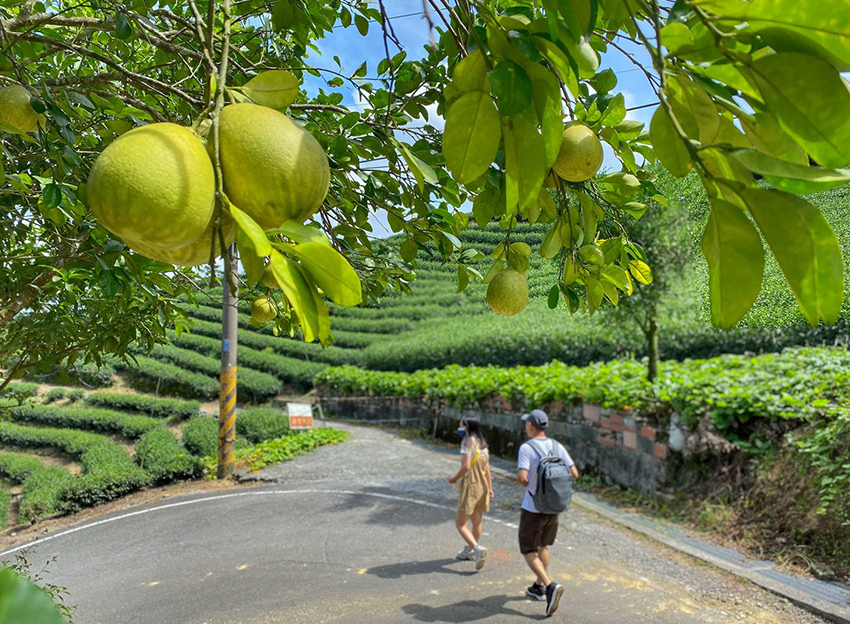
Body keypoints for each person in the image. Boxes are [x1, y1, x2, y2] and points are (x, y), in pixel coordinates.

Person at [516, 409, 579, 617]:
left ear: (531, 426)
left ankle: (550, 585)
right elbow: (574, 473)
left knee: (528, 549)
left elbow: (522, 477)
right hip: (554, 506)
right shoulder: (557, 446)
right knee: (542, 545)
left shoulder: (527, 448)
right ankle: (539, 587)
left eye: (527, 423)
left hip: (533, 507)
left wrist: (531, 483)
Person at [447, 416, 494, 571]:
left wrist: (454, 478)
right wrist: (490, 488)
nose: (459, 428)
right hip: (482, 485)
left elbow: (466, 466)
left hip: (470, 485)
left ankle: (476, 548)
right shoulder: (482, 442)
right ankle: (470, 551)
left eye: (461, 426)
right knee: (477, 521)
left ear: (467, 427)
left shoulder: (467, 442)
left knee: (460, 524)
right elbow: (487, 468)